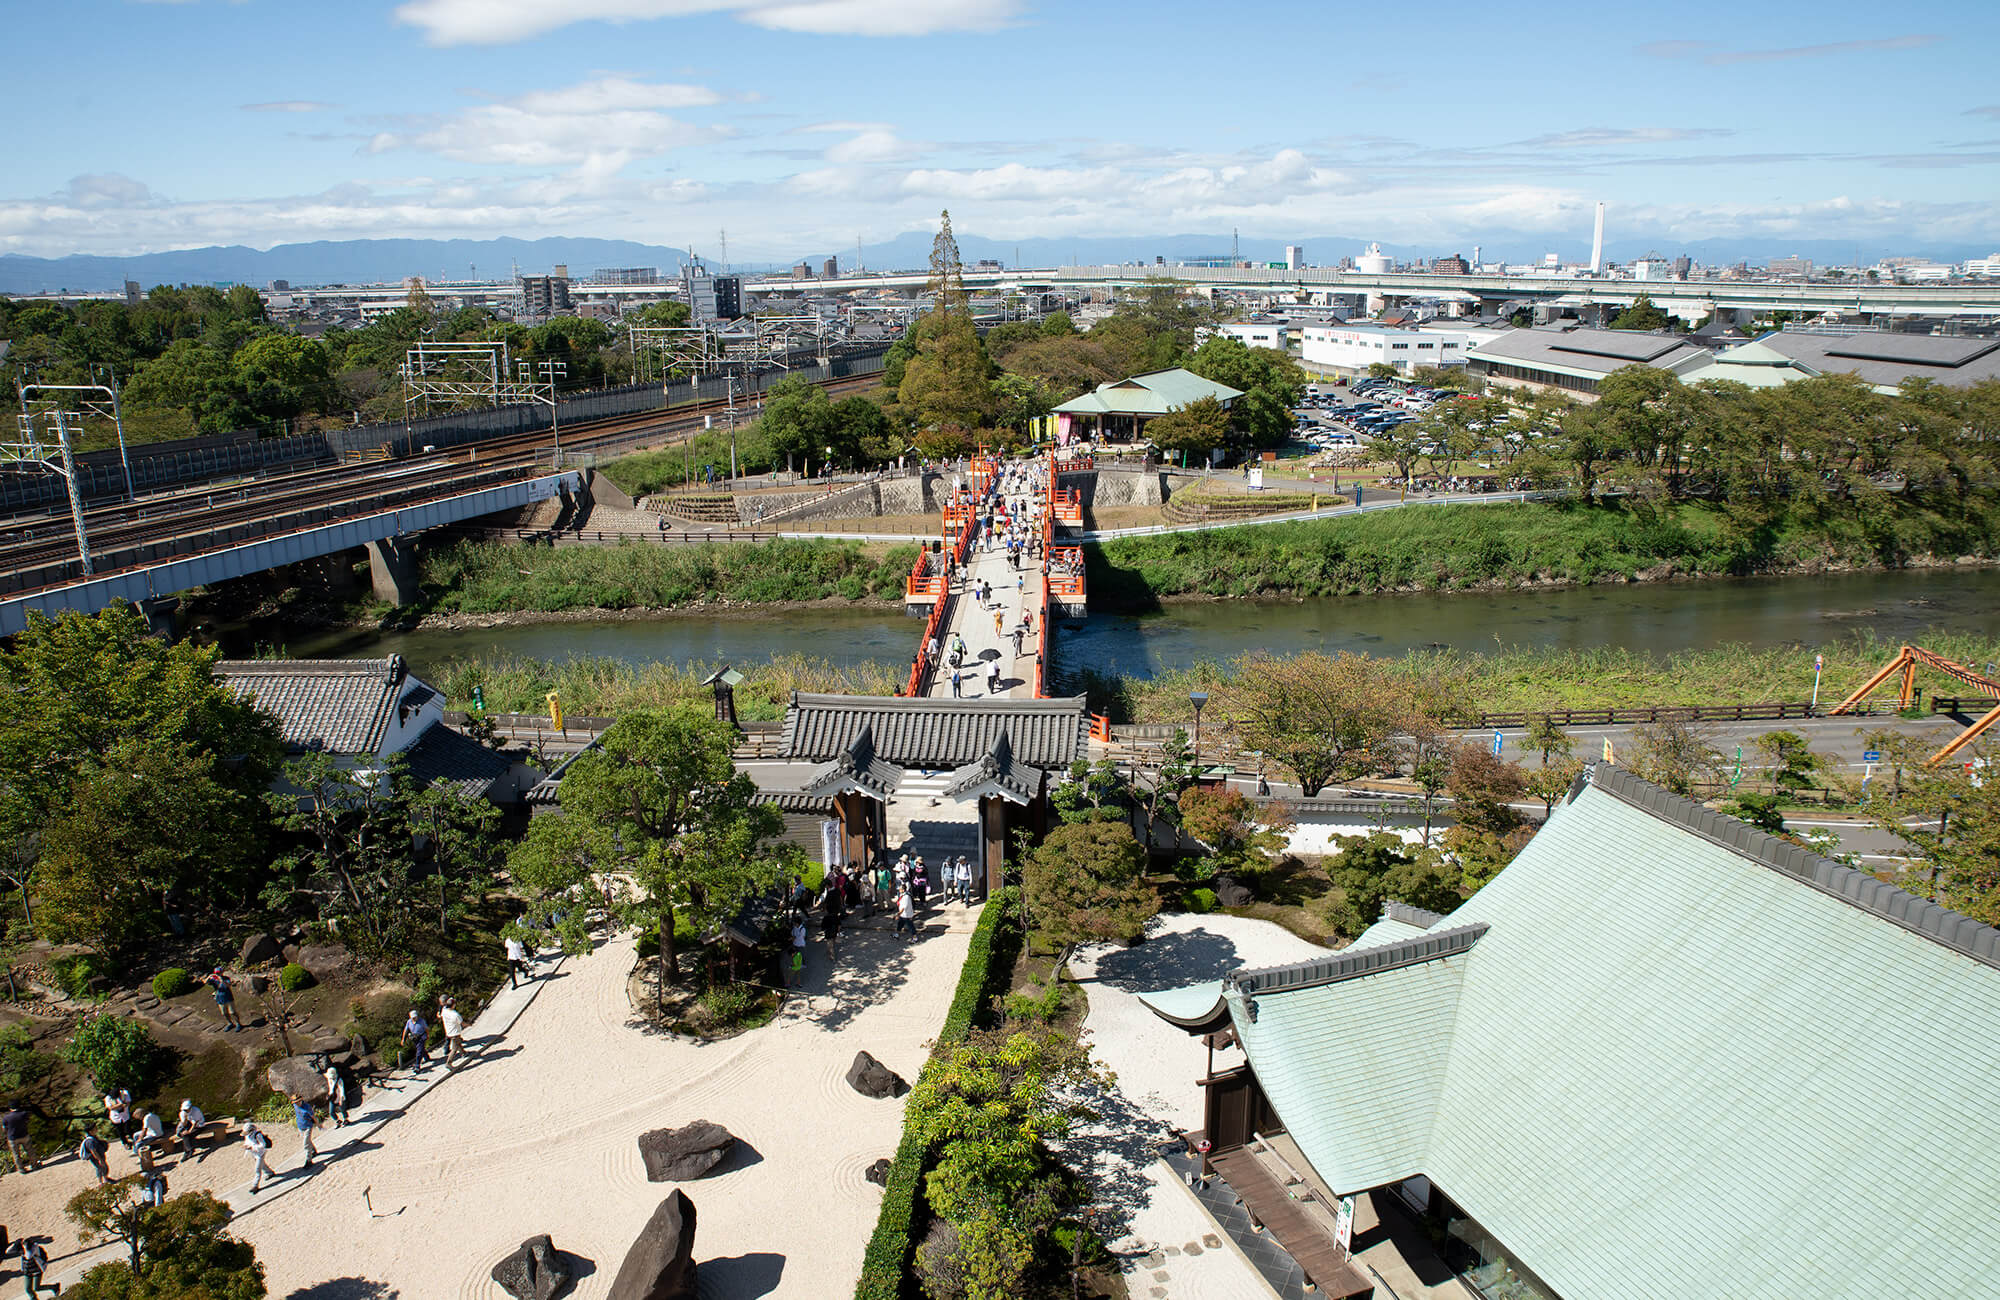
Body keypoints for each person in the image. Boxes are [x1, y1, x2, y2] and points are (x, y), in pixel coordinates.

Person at [243, 1121, 273, 1193]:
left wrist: (252, 1147)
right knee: (262, 1165)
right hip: (254, 1154)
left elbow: (263, 1145)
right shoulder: (247, 1135)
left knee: (257, 1169)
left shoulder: (258, 1135)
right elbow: (247, 1142)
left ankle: (255, 1185)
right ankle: (270, 1173)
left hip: (260, 1153)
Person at [3, 1101, 32, 1174]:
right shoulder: (24, 1114)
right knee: (30, 1151)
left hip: (12, 1137)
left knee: (16, 1154)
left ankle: (21, 1169)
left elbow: (4, 1128)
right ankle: (34, 1165)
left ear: (10, 1108)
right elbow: (27, 1121)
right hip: (24, 1135)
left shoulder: (6, 1117)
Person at [292, 1094, 318, 1168]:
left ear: (301, 1100)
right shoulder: (295, 1105)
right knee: (308, 1141)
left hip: (307, 1126)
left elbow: (313, 1116)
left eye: (298, 1102)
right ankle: (313, 1150)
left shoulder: (307, 1107)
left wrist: (318, 1124)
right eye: (295, 1102)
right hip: (300, 1126)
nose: (297, 1103)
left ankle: (308, 1161)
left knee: (305, 1144)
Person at [439, 997, 466, 1068]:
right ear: (453, 1005)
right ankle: (449, 1062)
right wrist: (469, 1024)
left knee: (458, 1042)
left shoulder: (444, 1011)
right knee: (454, 1048)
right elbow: (462, 1023)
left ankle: (463, 1053)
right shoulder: (455, 1014)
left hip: (448, 1031)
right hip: (455, 1032)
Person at [323, 1061, 349, 1126]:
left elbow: (341, 1089)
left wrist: (341, 1099)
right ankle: (337, 1121)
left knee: (342, 1109)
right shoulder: (329, 1079)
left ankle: (346, 1119)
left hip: (339, 1096)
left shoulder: (339, 1080)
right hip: (332, 1096)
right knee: (331, 1112)